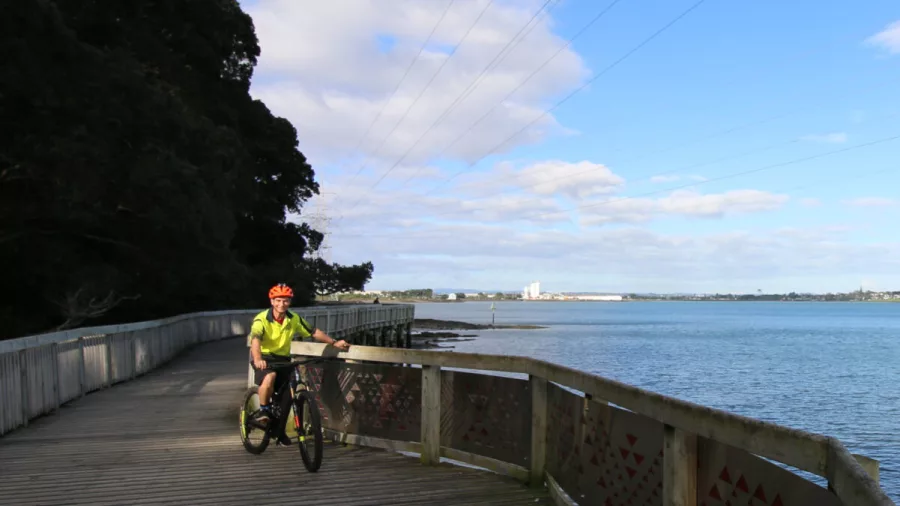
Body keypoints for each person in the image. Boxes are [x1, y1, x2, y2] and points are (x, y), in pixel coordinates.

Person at [249, 283, 349, 444]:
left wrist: (334, 342)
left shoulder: (293, 318)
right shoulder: (261, 319)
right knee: (270, 377)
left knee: (289, 394)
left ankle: (279, 431)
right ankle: (264, 410)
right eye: (279, 300)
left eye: (286, 301)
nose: (282, 304)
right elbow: (255, 339)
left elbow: (313, 332)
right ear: (272, 302)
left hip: (283, 359)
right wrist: (258, 359)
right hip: (265, 358)